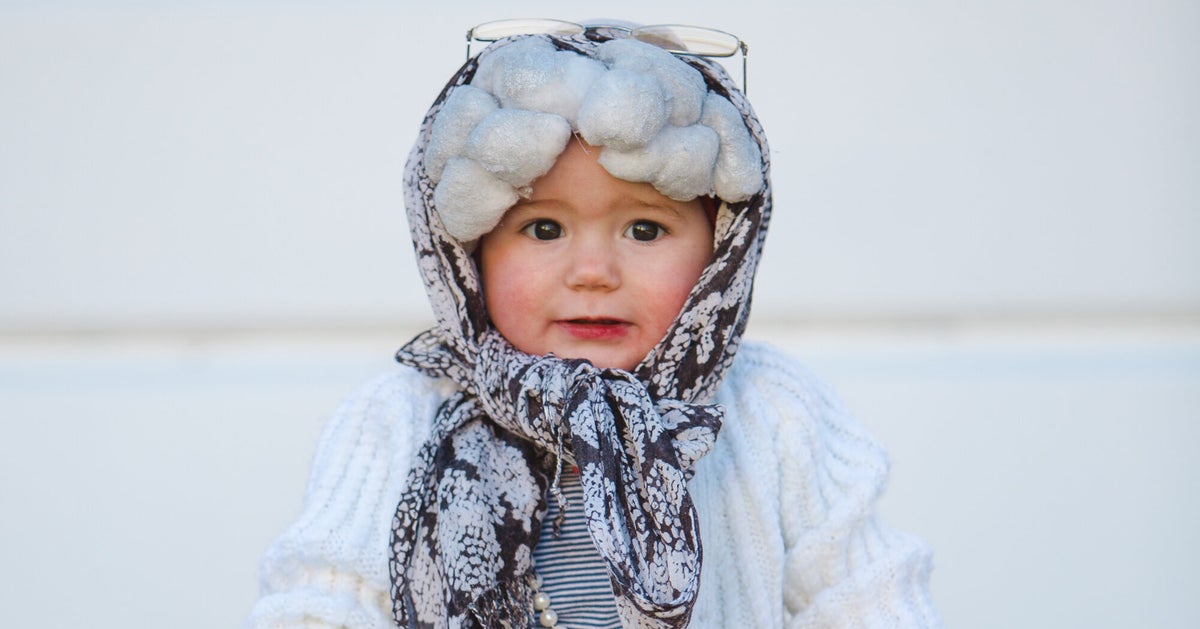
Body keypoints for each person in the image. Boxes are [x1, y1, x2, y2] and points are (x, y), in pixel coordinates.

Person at [246, 19, 940, 629]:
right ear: (469, 251)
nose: (593, 270)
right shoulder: (396, 419)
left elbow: (862, 595)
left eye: (644, 228)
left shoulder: (772, 411)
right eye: (543, 227)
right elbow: (323, 602)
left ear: (723, 250)